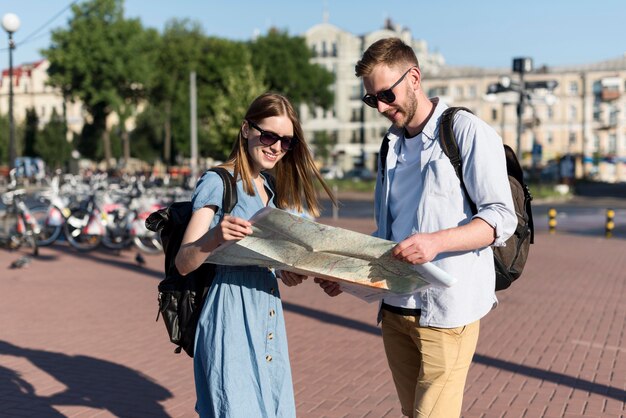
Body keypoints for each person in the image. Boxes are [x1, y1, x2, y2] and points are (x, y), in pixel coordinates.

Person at [316, 38, 517, 418]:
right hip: (396, 310)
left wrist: (435, 243)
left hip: (447, 312)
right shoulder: (389, 146)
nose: (381, 107)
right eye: (371, 99)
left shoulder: (465, 130)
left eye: (386, 94)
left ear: (414, 78)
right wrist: (342, 276)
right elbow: (387, 237)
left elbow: (501, 218)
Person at [175, 92, 336, 418]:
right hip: (230, 311)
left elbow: (269, 256)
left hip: (267, 310)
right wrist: (215, 236)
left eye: (286, 141)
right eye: (269, 135)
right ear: (246, 129)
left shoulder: (272, 189)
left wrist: (285, 272)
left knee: (270, 408)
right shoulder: (218, 181)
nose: (276, 147)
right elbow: (183, 262)